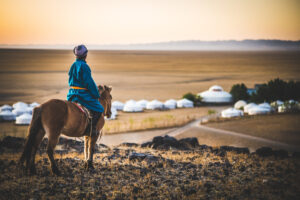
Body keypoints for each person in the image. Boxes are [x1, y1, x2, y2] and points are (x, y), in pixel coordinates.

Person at [67, 44, 104, 136]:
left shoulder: (73, 65)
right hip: (81, 94)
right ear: (85, 55)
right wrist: (96, 94)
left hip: (72, 93)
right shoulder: (84, 66)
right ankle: (91, 130)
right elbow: (89, 82)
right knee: (99, 109)